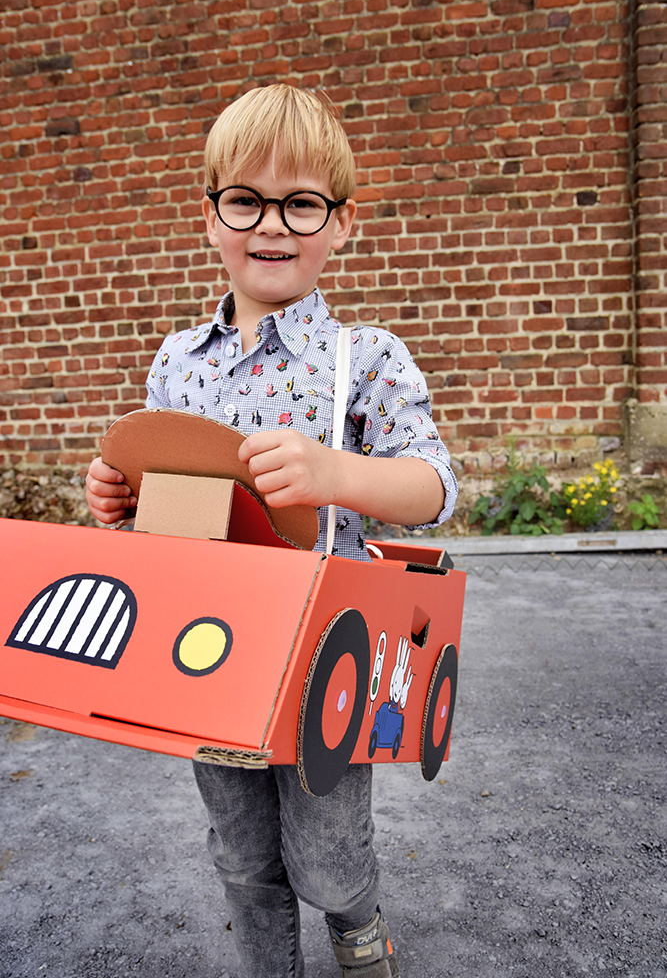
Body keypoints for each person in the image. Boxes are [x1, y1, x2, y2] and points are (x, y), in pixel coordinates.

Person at [86, 84, 458, 978]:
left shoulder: (362, 359)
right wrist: (117, 495)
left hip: (322, 650)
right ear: (210, 215)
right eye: (246, 199)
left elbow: (435, 486)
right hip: (201, 647)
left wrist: (338, 474)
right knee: (239, 843)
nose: (272, 225)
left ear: (341, 223)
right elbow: (167, 500)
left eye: (301, 202)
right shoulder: (178, 360)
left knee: (327, 842)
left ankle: (355, 926)